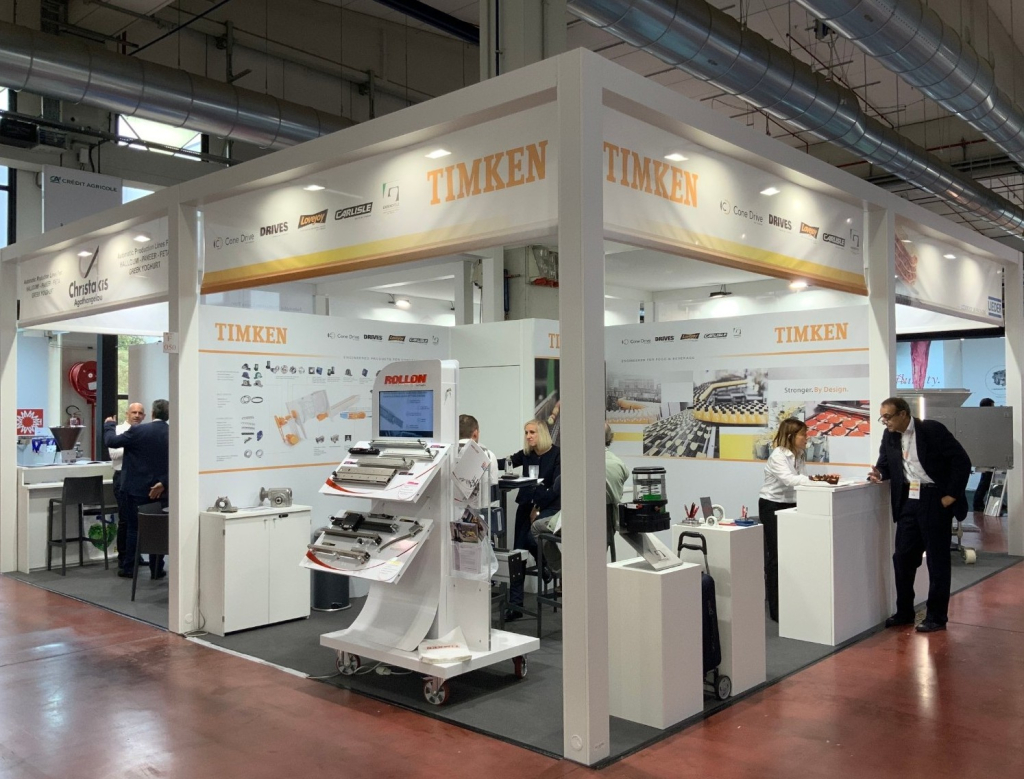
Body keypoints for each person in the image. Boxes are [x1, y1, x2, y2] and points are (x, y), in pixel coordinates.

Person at [868, 396, 971, 633]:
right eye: (882, 418)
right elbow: (885, 464)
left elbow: (961, 461)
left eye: (888, 417)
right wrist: (879, 474)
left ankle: (936, 616)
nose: (885, 422)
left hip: (935, 498)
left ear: (903, 414)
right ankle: (904, 612)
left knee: (937, 559)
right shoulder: (890, 436)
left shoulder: (932, 430)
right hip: (908, 501)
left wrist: (951, 495)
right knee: (902, 557)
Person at [532, 422, 628, 575]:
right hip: (607, 527)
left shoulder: (580, 463)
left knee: (536, 527)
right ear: (609, 438)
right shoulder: (620, 464)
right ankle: (588, 573)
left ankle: (563, 572)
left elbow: (558, 487)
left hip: (578, 524)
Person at [103, 399, 170, 580]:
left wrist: (109, 425)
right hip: (160, 489)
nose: (137, 416)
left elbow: (111, 441)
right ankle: (157, 569)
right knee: (157, 529)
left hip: (135, 489)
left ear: (151, 414)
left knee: (133, 528)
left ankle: (129, 567)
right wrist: (164, 482)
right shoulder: (173, 433)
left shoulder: (139, 431)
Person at [758, 418, 814, 622]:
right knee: (776, 557)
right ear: (791, 436)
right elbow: (790, 480)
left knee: (792, 556)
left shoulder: (799, 455)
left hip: (791, 505)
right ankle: (776, 610)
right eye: (803, 435)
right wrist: (816, 481)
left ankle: (793, 604)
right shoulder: (778, 455)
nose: (806, 438)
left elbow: (801, 480)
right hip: (772, 505)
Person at [506, 419, 560, 619]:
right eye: (526, 432)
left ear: (542, 434)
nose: (528, 436)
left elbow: (555, 488)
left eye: (532, 432)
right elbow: (507, 462)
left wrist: (537, 508)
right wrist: (486, 460)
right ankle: (516, 604)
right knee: (517, 553)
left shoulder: (557, 454)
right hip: (526, 504)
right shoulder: (526, 454)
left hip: (548, 506)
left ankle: (548, 566)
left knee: (531, 537)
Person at [108, 402, 146, 574]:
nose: (136, 415)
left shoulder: (144, 431)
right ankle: (123, 557)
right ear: (127, 414)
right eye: (134, 412)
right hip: (121, 477)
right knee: (125, 519)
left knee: (139, 520)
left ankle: (137, 555)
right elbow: (113, 454)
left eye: (140, 413)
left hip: (139, 478)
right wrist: (134, 445)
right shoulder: (118, 430)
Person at [457, 414, 500, 510]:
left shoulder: (446, 455)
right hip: (480, 515)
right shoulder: (489, 455)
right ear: (475, 433)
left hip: (450, 515)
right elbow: (493, 496)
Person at [973, 398, 996, 513]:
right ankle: (978, 504)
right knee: (985, 482)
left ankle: (980, 503)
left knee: (986, 481)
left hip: (986, 455)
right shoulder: (985, 421)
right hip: (986, 456)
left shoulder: (980, 420)